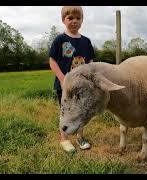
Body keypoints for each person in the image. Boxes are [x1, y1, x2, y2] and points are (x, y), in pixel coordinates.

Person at [49, 6, 95, 153]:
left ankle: (80, 137)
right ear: (63, 20)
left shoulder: (86, 42)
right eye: (70, 18)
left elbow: (91, 63)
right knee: (66, 112)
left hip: (82, 86)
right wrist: (63, 79)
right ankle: (64, 138)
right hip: (64, 86)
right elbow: (52, 61)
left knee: (81, 111)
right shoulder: (59, 40)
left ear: (82, 20)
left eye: (78, 18)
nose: (74, 21)